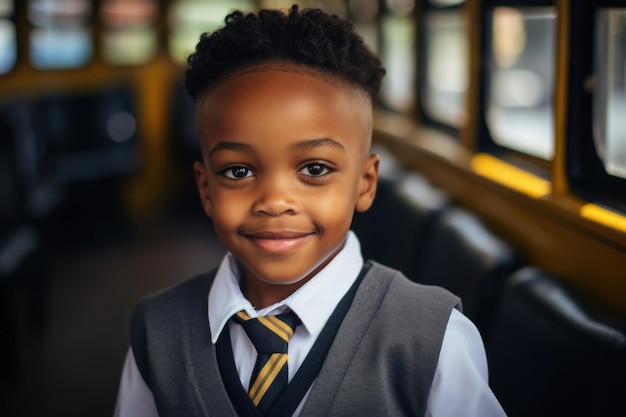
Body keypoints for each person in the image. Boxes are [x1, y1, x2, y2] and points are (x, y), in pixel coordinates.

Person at [114, 5, 506, 417]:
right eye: (238, 170)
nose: (275, 201)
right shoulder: (156, 330)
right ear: (206, 188)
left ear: (365, 183)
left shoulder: (433, 340)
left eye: (314, 169)